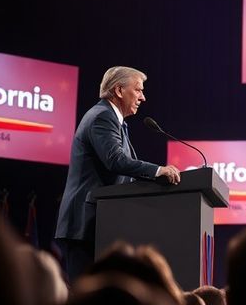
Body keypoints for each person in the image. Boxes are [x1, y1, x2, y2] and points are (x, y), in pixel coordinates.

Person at [55, 66, 181, 283]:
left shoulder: (117, 122)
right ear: (119, 90)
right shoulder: (102, 117)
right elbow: (116, 161)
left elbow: (127, 172)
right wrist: (158, 170)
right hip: (85, 225)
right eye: (138, 90)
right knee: (85, 296)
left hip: (99, 223)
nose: (143, 97)